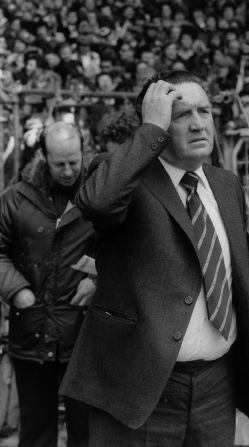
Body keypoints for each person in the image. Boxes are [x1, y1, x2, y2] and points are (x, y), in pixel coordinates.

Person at [61, 70, 249, 446]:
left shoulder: (225, 183)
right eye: (182, 114)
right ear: (158, 122)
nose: (199, 123)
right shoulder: (127, 178)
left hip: (216, 387)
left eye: (205, 111)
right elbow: (97, 202)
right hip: (141, 390)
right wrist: (150, 130)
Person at [0, 121, 95, 447]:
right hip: (31, 331)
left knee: (86, 433)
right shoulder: (15, 198)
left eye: (74, 161)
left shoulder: (99, 194)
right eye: (60, 164)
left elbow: (126, 249)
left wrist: (99, 277)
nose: (68, 171)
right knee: (36, 432)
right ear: (43, 157)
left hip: (84, 336)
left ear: (83, 151)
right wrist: (16, 289)